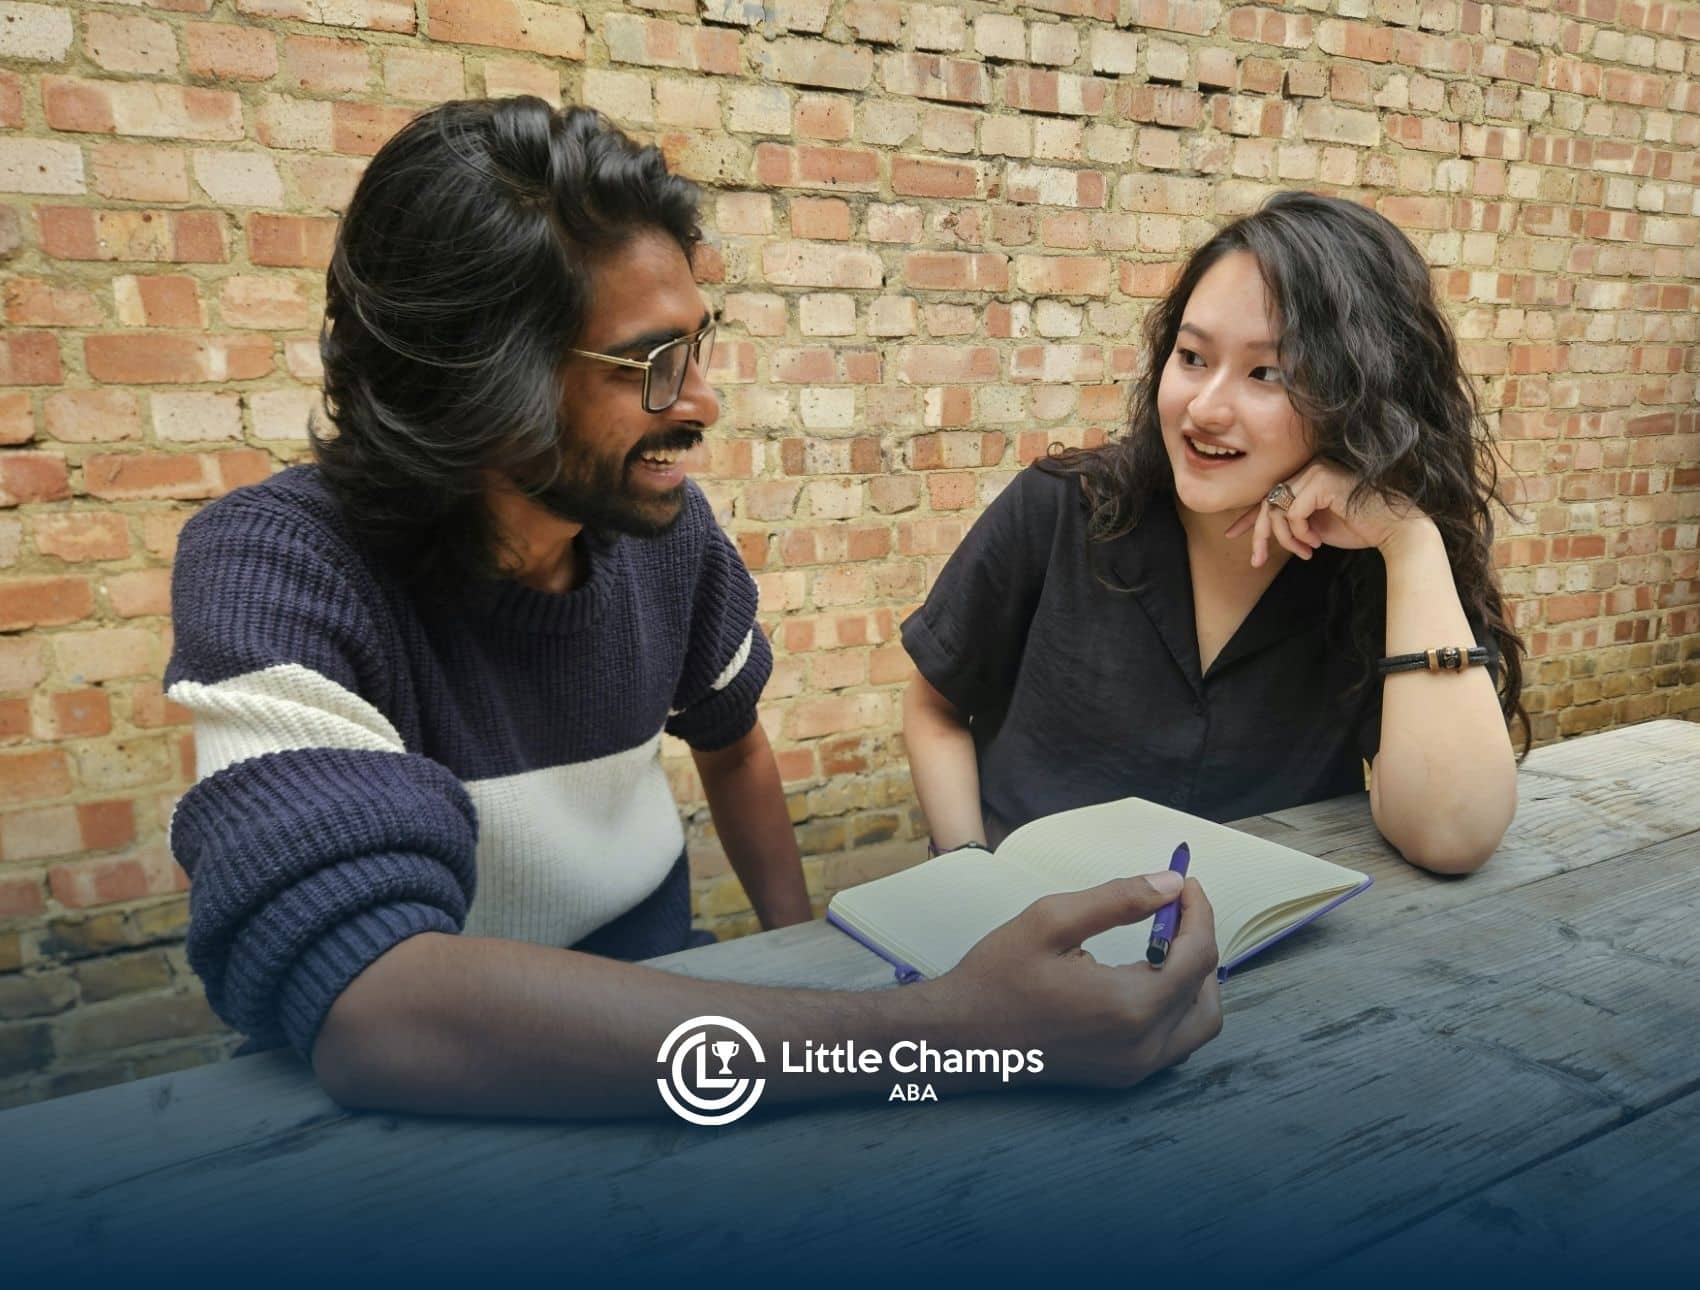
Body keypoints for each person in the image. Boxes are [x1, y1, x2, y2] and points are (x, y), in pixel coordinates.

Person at [165, 98, 1222, 1118]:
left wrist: (799, 942)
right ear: (479, 384)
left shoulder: (660, 538)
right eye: (649, 365)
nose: (703, 401)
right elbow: (378, 1011)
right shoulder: (281, 568)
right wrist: (945, 1035)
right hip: (420, 1105)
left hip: (670, 1015)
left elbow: (731, 743)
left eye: (698, 347)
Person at [903, 192, 1524, 875]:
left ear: (1362, 398)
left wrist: (1410, 543)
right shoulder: (1062, 508)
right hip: (1028, 933)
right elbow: (935, 707)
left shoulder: (1372, 564)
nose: (1204, 408)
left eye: (1267, 373)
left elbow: (1453, 836)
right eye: (1193, 357)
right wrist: (964, 872)